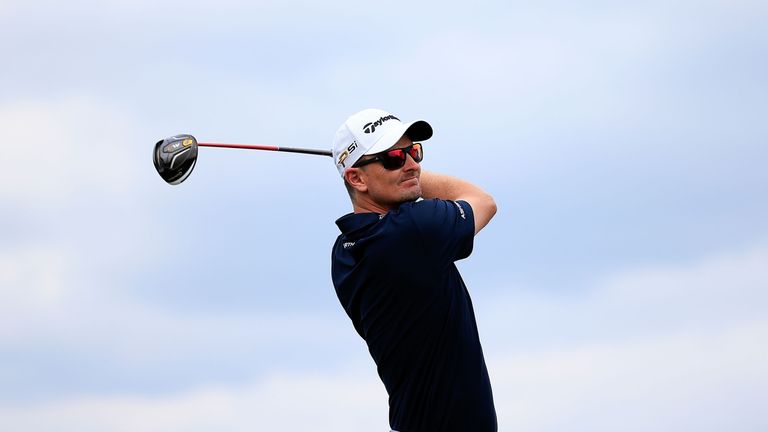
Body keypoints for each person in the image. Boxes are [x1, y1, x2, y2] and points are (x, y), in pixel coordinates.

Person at [330, 108, 498, 432]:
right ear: (356, 178)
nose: (413, 164)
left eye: (414, 152)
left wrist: (395, 170)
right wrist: (414, 178)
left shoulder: (344, 253)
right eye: (394, 157)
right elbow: (483, 201)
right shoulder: (414, 230)